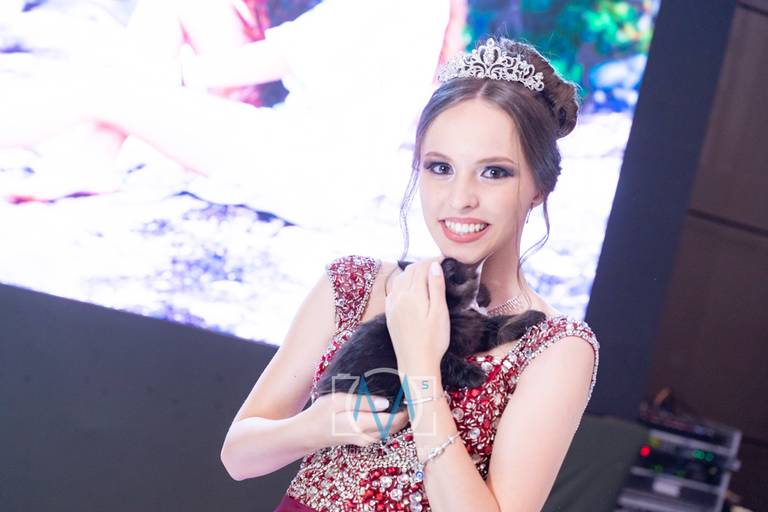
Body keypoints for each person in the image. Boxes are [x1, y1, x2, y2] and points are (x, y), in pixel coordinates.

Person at [219, 37, 600, 511]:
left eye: (494, 172)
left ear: (540, 185)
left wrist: (421, 369)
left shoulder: (556, 347)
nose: (459, 198)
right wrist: (320, 425)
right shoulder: (353, 285)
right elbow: (238, 456)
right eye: (440, 168)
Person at [0, 0, 455, 227]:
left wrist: (161, 82)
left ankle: (90, 154)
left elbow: (270, 60)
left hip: (308, 168)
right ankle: (94, 160)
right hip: (309, 150)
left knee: (106, 89)